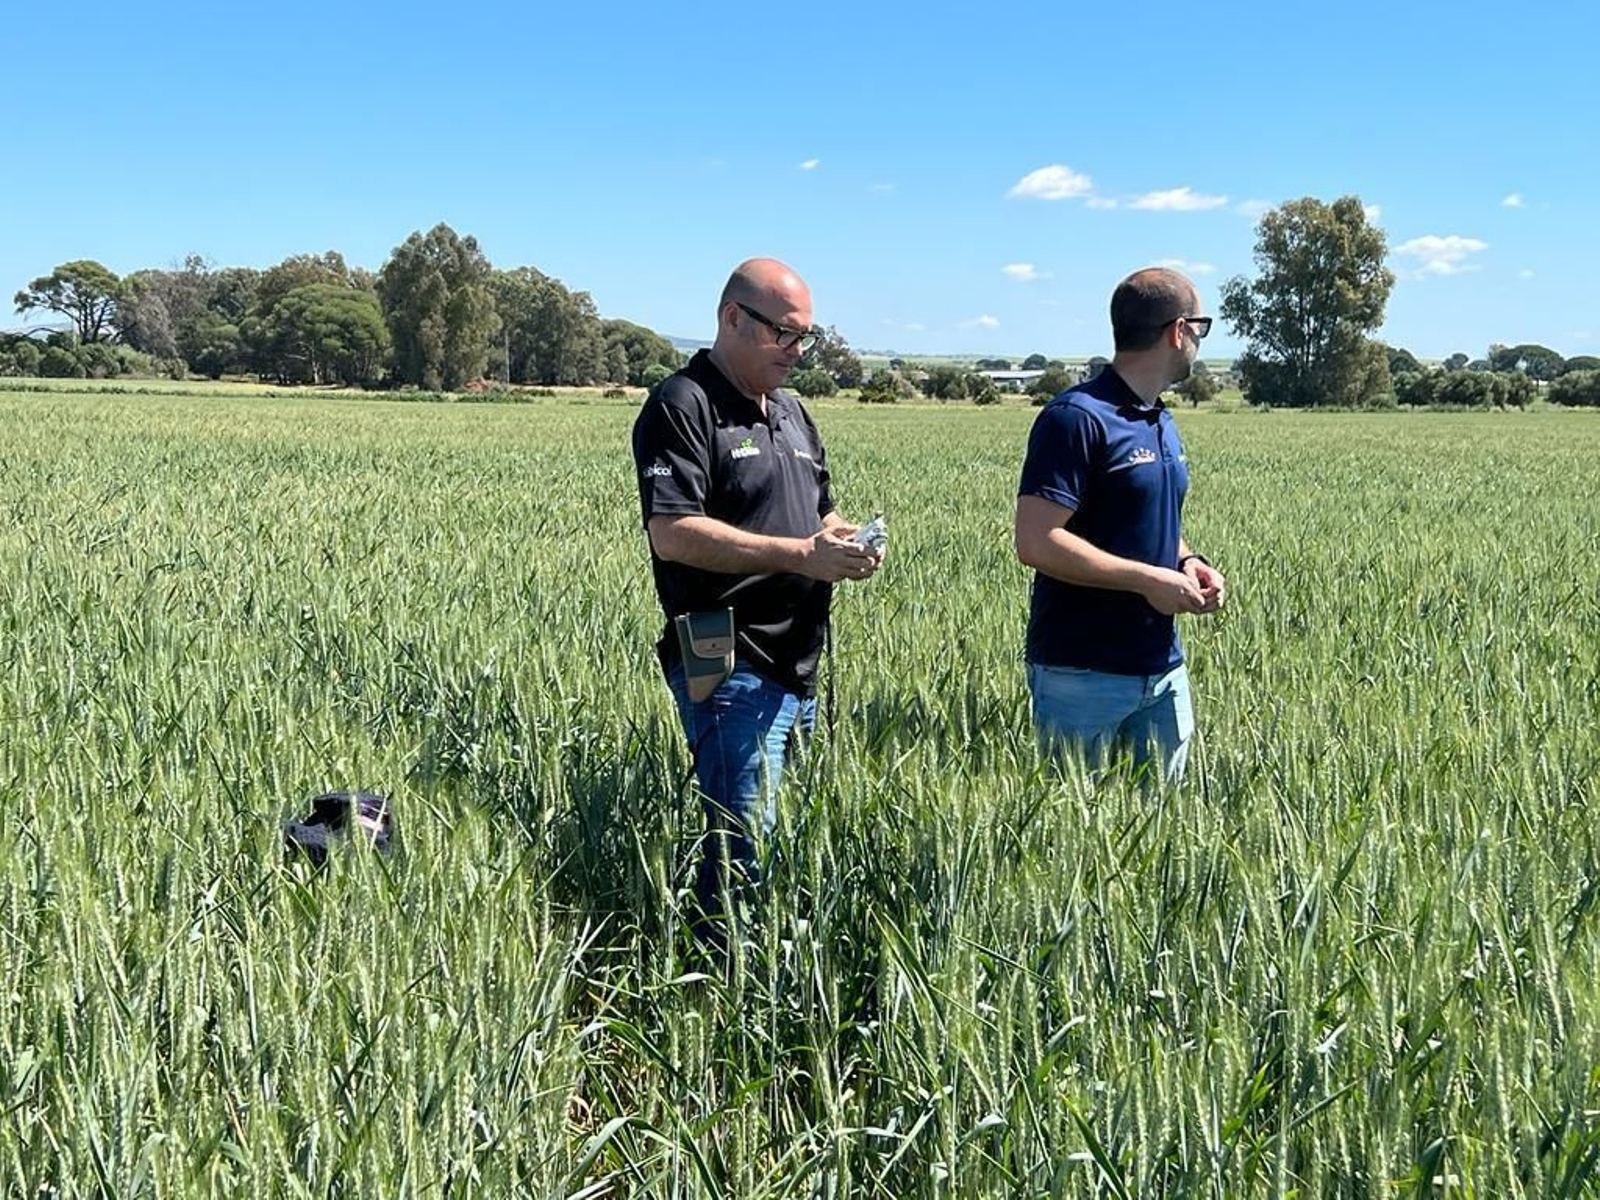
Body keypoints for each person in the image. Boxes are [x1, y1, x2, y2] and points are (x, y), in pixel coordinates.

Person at [632, 258, 882, 939]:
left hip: (798, 662)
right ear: (732, 318)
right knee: (743, 848)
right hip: (726, 657)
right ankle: (717, 992)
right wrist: (803, 554)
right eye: (785, 335)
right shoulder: (682, 404)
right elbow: (673, 533)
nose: (798, 353)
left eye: (808, 337)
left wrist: (845, 541)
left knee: (780, 842)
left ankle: (753, 978)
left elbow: (819, 515)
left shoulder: (795, 415)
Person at [1013, 267, 1227, 782]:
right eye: (1201, 326)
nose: (1199, 340)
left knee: (1164, 832)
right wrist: (1146, 579)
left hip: (1162, 668)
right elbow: (1036, 541)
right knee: (1069, 834)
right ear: (1179, 330)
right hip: (1081, 672)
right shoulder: (1077, 418)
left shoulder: (1160, 419)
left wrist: (1186, 561)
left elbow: (1147, 521)